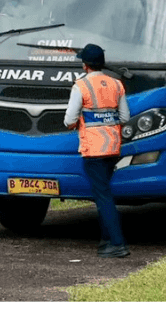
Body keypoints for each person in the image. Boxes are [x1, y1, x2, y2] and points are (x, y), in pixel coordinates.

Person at [64, 44, 131, 258]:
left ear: (85, 65)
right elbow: (125, 118)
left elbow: (69, 120)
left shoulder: (81, 86)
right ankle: (106, 242)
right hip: (113, 148)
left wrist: (80, 123)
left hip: (93, 150)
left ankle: (118, 244)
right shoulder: (116, 84)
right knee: (103, 193)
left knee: (103, 197)